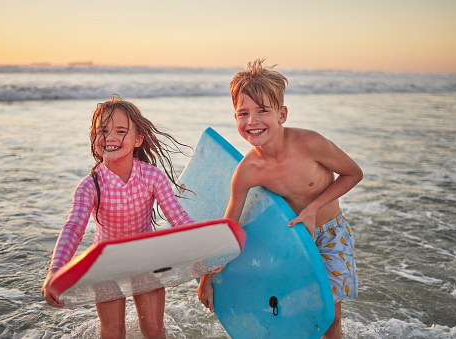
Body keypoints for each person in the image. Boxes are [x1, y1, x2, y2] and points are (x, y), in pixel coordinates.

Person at [197, 59, 363, 339]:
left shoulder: (309, 143)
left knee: (329, 320)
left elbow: (352, 173)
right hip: (289, 243)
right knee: (295, 316)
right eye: (243, 113)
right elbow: (230, 226)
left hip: (329, 234)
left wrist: (312, 209)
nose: (252, 121)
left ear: (282, 114)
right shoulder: (247, 171)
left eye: (262, 111)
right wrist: (206, 279)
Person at [41, 95, 195, 339]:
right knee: (113, 332)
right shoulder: (89, 186)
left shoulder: (152, 177)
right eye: (103, 130)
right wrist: (56, 270)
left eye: (121, 131)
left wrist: (204, 251)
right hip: (107, 264)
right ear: (94, 138)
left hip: (147, 259)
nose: (110, 137)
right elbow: (73, 228)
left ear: (138, 139)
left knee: (154, 330)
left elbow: (178, 218)